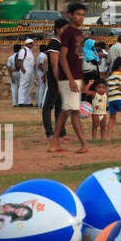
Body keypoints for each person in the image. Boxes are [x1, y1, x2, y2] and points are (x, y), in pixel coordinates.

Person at [51, 3, 91, 153]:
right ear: (70, 15)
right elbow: (63, 57)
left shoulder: (79, 33)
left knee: (69, 110)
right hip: (68, 78)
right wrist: (71, 79)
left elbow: (78, 58)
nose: (81, 17)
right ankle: (81, 144)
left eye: (82, 14)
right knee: (70, 110)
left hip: (75, 77)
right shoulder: (68, 32)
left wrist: (80, 78)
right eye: (78, 14)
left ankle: (56, 141)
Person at [41, 18, 70, 146]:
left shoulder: (61, 44)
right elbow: (54, 65)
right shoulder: (54, 44)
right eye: (64, 28)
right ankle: (49, 133)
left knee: (60, 106)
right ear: (58, 29)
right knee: (49, 105)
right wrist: (58, 82)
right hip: (55, 79)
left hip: (62, 79)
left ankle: (61, 133)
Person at [17, 38, 37, 107]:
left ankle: (27, 101)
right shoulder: (23, 51)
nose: (32, 44)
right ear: (27, 44)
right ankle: (21, 102)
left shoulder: (30, 51)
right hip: (25, 70)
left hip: (30, 71)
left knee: (30, 86)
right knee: (23, 85)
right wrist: (23, 69)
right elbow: (19, 60)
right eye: (31, 43)